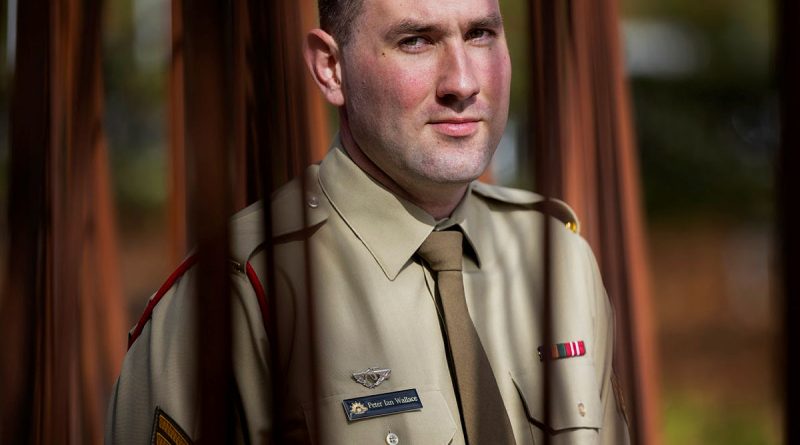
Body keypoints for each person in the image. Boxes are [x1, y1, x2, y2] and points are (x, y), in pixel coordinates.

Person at [106, 0, 631, 443]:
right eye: (416, 41)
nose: (463, 82)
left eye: (480, 34)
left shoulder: (556, 258)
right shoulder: (238, 292)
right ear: (331, 69)